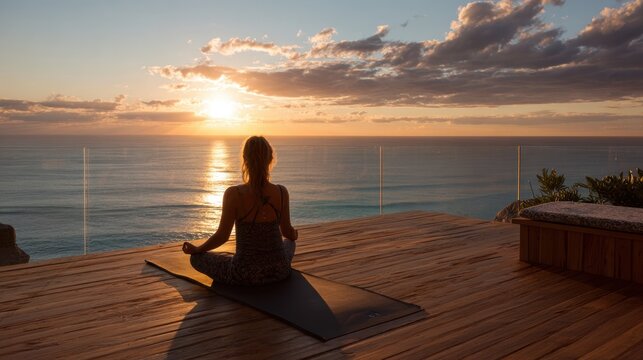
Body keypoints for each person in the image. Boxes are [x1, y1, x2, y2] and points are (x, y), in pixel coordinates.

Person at [182, 136, 298, 286]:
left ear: (245, 159)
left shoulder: (234, 194)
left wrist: (198, 249)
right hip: (279, 271)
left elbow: (222, 236)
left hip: (245, 274)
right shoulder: (281, 192)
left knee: (196, 259)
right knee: (289, 243)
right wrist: (294, 235)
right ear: (270, 159)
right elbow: (288, 233)